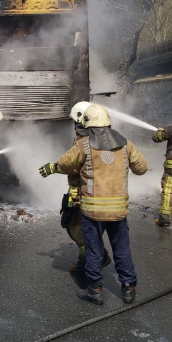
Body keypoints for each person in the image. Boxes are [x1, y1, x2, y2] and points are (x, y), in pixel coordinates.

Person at [39, 104, 147, 305]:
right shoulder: (126, 145)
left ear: (87, 124)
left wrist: (53, 167)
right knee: (121, 250)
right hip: (118, 212)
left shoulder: (84, 145)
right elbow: (142, 168)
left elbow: (64, 164)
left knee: (94, 250)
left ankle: (95, 290)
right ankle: (128, 289)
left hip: (93, 211)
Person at [63, 101, 112, 273]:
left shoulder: (84, 142)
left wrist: (55, 167)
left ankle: (91, 262)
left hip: (83, 193)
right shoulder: (90, 139)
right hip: (87, 191)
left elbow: (71, 164)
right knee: (81, 228)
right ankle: (91, 260)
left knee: (77, 228)